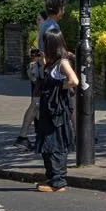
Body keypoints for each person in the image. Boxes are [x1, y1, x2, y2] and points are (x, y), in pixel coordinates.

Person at [34, 30, 79, 192]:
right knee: (48, 143)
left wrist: (59, 87)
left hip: (57, 110)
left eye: (44, 43)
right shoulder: (52, 62)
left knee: (56, 143)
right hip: (48, 109)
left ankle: (58, 181)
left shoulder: (63, 63)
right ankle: (52, 177)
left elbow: (74, 80)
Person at [15, 46, 44, 148]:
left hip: (37, 92)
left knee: (36, 110)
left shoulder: (33, 65)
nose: (35, 57)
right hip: (39, 92)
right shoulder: (33, 66)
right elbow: (34, 79)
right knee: (36, 110)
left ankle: (24, 137)